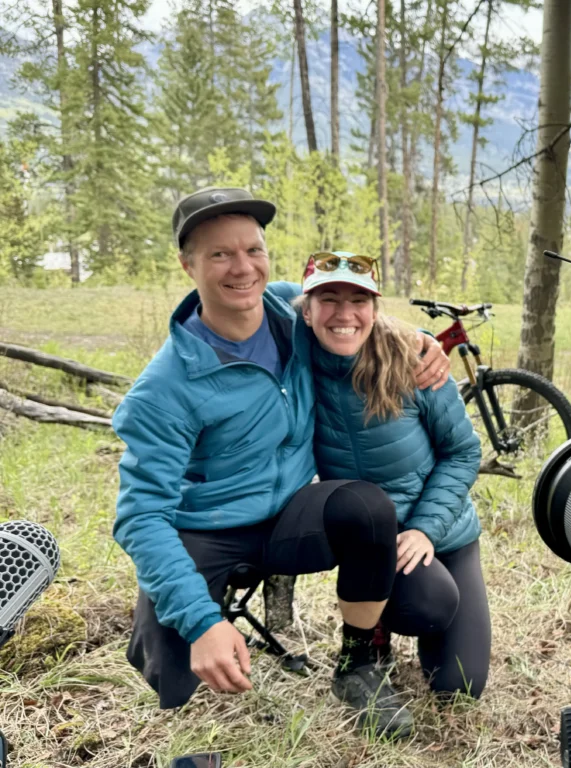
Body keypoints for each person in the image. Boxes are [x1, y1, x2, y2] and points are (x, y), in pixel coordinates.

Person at [111, 187, 451, 738]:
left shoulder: (287, 310)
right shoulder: (164, 388)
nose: (243, 268)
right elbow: (140, 516)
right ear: (187, 264)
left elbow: (353, 313)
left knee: (367, 507)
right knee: (171, 672)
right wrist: (202, 623)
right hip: (210, 527)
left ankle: (358, 663)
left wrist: (423, 338)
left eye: (253, 249)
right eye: (220, 254)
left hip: (292, 515)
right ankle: (175, 617)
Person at [295, 251, 491, 715]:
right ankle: (372, 633)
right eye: (329, 299)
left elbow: (462, 452)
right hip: (372, 539)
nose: (345, 314)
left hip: (444, 531)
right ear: (306, 310)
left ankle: (416, 612)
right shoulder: (296, 357)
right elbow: (247, 294)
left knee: (460, 687)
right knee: (428, 602)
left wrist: (426, 528)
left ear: (375, 308)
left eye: (359, 300)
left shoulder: (414, 360)